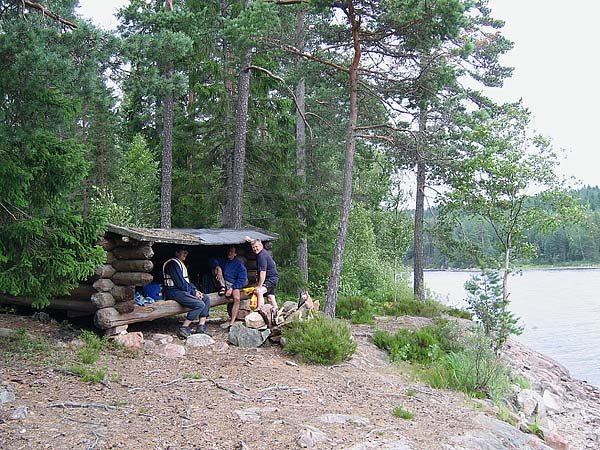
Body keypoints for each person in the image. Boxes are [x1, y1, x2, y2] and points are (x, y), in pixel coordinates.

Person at [163, 247, 211, 339]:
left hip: (181, 291)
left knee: (206, 298)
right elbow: (180, 283)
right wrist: (193, 292)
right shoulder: (172, 264)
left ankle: (201, 327)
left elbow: (187, 281)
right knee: (199, 304)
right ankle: (184, 328)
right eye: (183, 252)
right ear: (176, 253)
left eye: (186, 252)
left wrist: (196, 290)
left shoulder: (180, 263)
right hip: (174, 291)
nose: (185, 253)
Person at [210, 246, 248, 329]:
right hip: (222, 281)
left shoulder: (239, 265)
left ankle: (232, 322)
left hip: (233, 284)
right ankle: (222, 287)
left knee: (237, 298)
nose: (229, 253)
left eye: (231, 252)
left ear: (235, 254)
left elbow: (241, 279)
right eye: (228, 251)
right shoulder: (223, 261)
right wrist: (218, 267)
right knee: (216, 270)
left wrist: (232, 288)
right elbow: (212, 260)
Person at [248, 237, 279, 310]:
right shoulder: (262, 252)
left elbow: (263, 273)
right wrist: (250, 240)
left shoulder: (262, 256)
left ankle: (261, 310)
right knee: (270, 297)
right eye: (253, 247)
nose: (255, 249)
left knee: (259, 291)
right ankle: (276, 312)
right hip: (271, 278)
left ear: (261, 246)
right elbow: (256, 241)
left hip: (271, 279)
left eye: (256, 247)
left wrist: (259, 286)